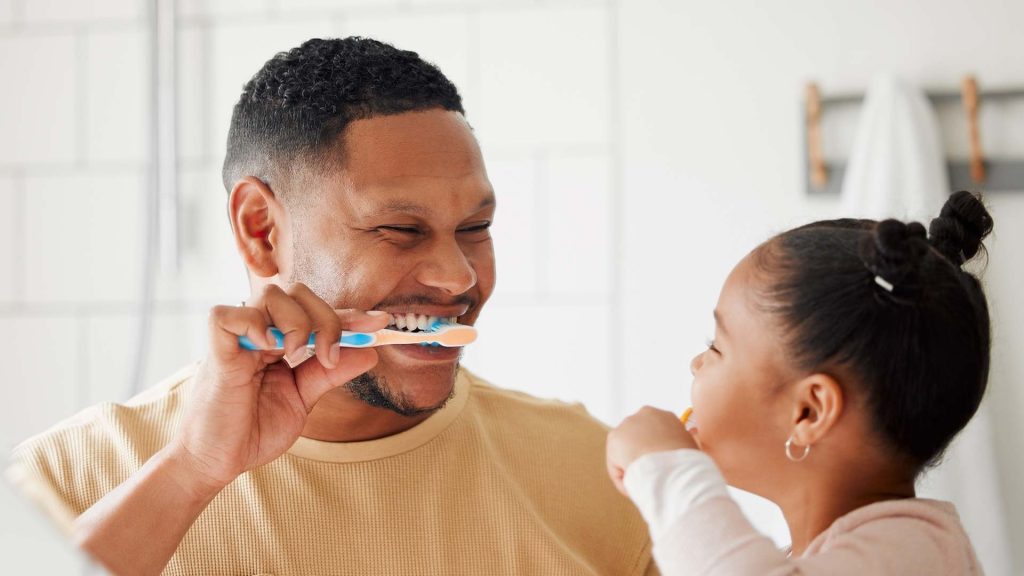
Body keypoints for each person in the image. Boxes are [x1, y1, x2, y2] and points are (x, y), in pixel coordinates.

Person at [9, 37, 654, 576]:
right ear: (261, 230)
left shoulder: (595, 472)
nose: (458, 278)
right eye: (400, 230)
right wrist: (192, 472)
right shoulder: (63, 481)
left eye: (474, 228)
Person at [606, 191, 990, 575]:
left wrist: (666, 469)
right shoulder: (885, 549)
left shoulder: (914, 557)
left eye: (717, 347)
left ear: (809, 412)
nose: (696, 363)